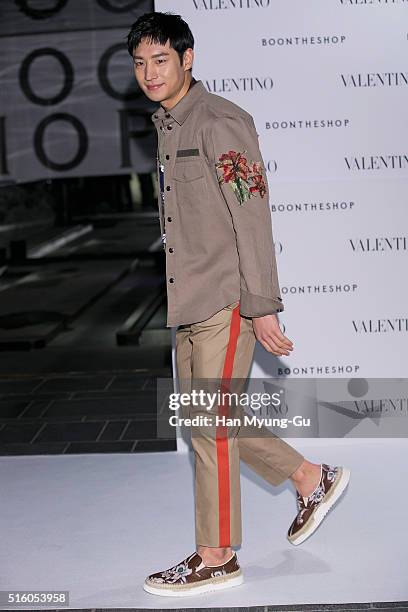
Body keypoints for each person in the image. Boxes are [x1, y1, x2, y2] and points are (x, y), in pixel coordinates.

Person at [126, 12, 351, 597]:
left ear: (188, 58)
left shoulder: (220, 121)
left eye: (161, 60)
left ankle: (217, 556)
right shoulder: (168, 124)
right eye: (141, 62)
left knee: (210, 427)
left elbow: (251, 217)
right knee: (208, 418)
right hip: (189, 299)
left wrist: (261, 304)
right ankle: (310, 477)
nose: (150, 73)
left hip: (226, 300)